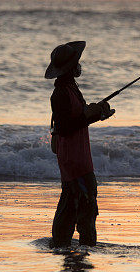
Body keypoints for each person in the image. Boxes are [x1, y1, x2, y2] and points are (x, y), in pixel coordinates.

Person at [45, 41, 114, 248]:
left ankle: (68, 249)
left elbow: (78, 119)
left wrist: (97, 114)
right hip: (74, 160)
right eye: (77, 62)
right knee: (81, 206)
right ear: (71, 67)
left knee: (79, 204)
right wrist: (89, 116)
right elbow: (66, 128)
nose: (79, 65)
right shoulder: (60, 94)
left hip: (79, 158)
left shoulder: (70, 88)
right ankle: (74, 248)